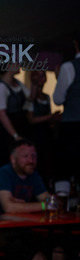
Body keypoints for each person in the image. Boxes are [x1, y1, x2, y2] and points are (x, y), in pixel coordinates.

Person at [53, 34, 80, 181]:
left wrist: (58, 78)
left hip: (73, 125)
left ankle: (63, 197)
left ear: (76, 44)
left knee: (64, 169)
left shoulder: (69, 67)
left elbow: (58, 99)